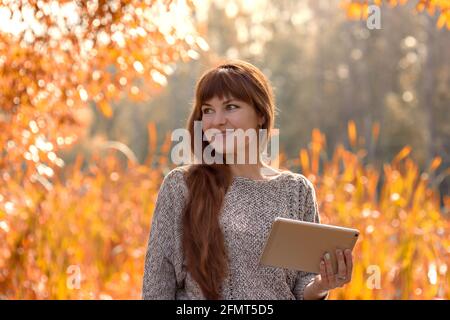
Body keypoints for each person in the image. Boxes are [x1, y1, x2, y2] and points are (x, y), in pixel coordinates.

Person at [142, 59, 353, 300]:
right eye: (208, 110)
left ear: (261, 115)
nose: (217, 120)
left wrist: (321, 284)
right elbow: (156, 288)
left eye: (230, 107)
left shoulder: (296, 190)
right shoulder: (182, 186)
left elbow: (301, 284)